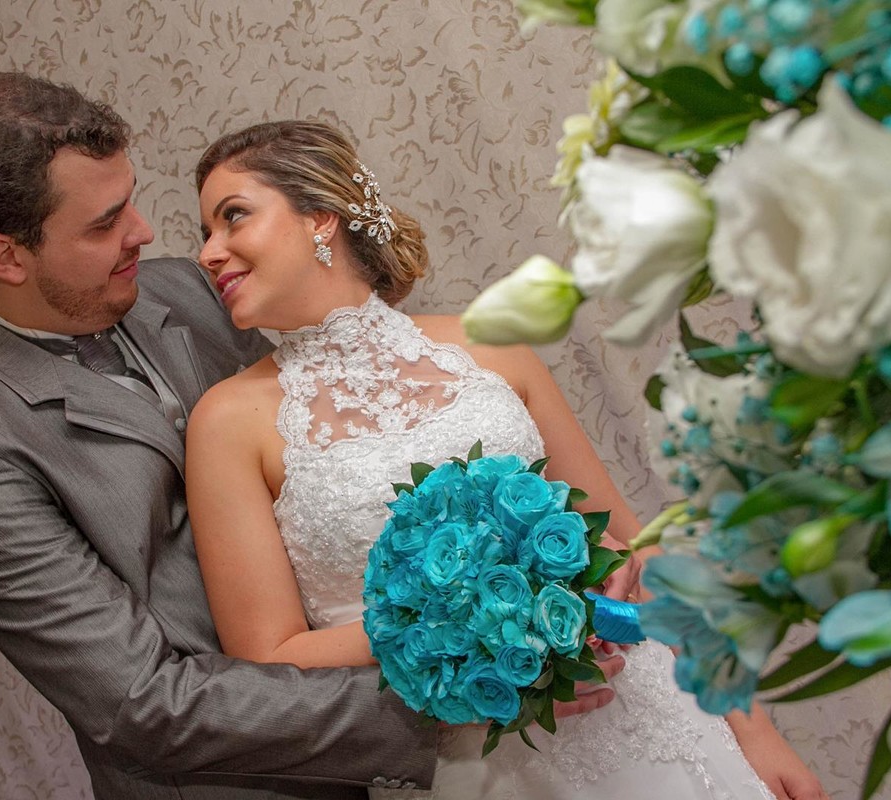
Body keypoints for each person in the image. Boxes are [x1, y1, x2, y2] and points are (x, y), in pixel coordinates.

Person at [186, 120, 829, 800]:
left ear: (320, 217)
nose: (208, 252)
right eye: (204, 231)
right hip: (470, 759)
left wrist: (756, 730)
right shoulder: (227, 422)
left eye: (233, 218)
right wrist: (469, 622)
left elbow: (634, 556)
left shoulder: (495, 349)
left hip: (646, 719)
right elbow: (269, 658)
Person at [0, 71, 458, 800]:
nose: (144, 233)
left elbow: (331, 452)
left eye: (128, 201)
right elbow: (144, 703)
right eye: (103, 224)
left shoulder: (185, 291)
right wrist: (449, 711)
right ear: (7, 257)